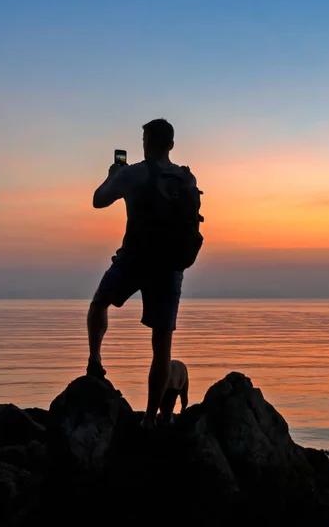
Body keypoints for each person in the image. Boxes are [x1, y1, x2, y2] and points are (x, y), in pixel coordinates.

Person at [86, 118, 201, 429]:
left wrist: (113, 176)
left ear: (146, 143)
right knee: (162, 345)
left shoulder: (134, 173)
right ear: (172, 145)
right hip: (171, 266)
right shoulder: (186, 179)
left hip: (136, 258)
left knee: (99, 303)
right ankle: (150, 420)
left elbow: (98, 201)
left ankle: (95, 360)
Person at [159, 359, 189, 424]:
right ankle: (179, 414)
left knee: (181, 400)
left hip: (173, 382)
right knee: (182, 399)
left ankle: (180, 413)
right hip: (174, 382)